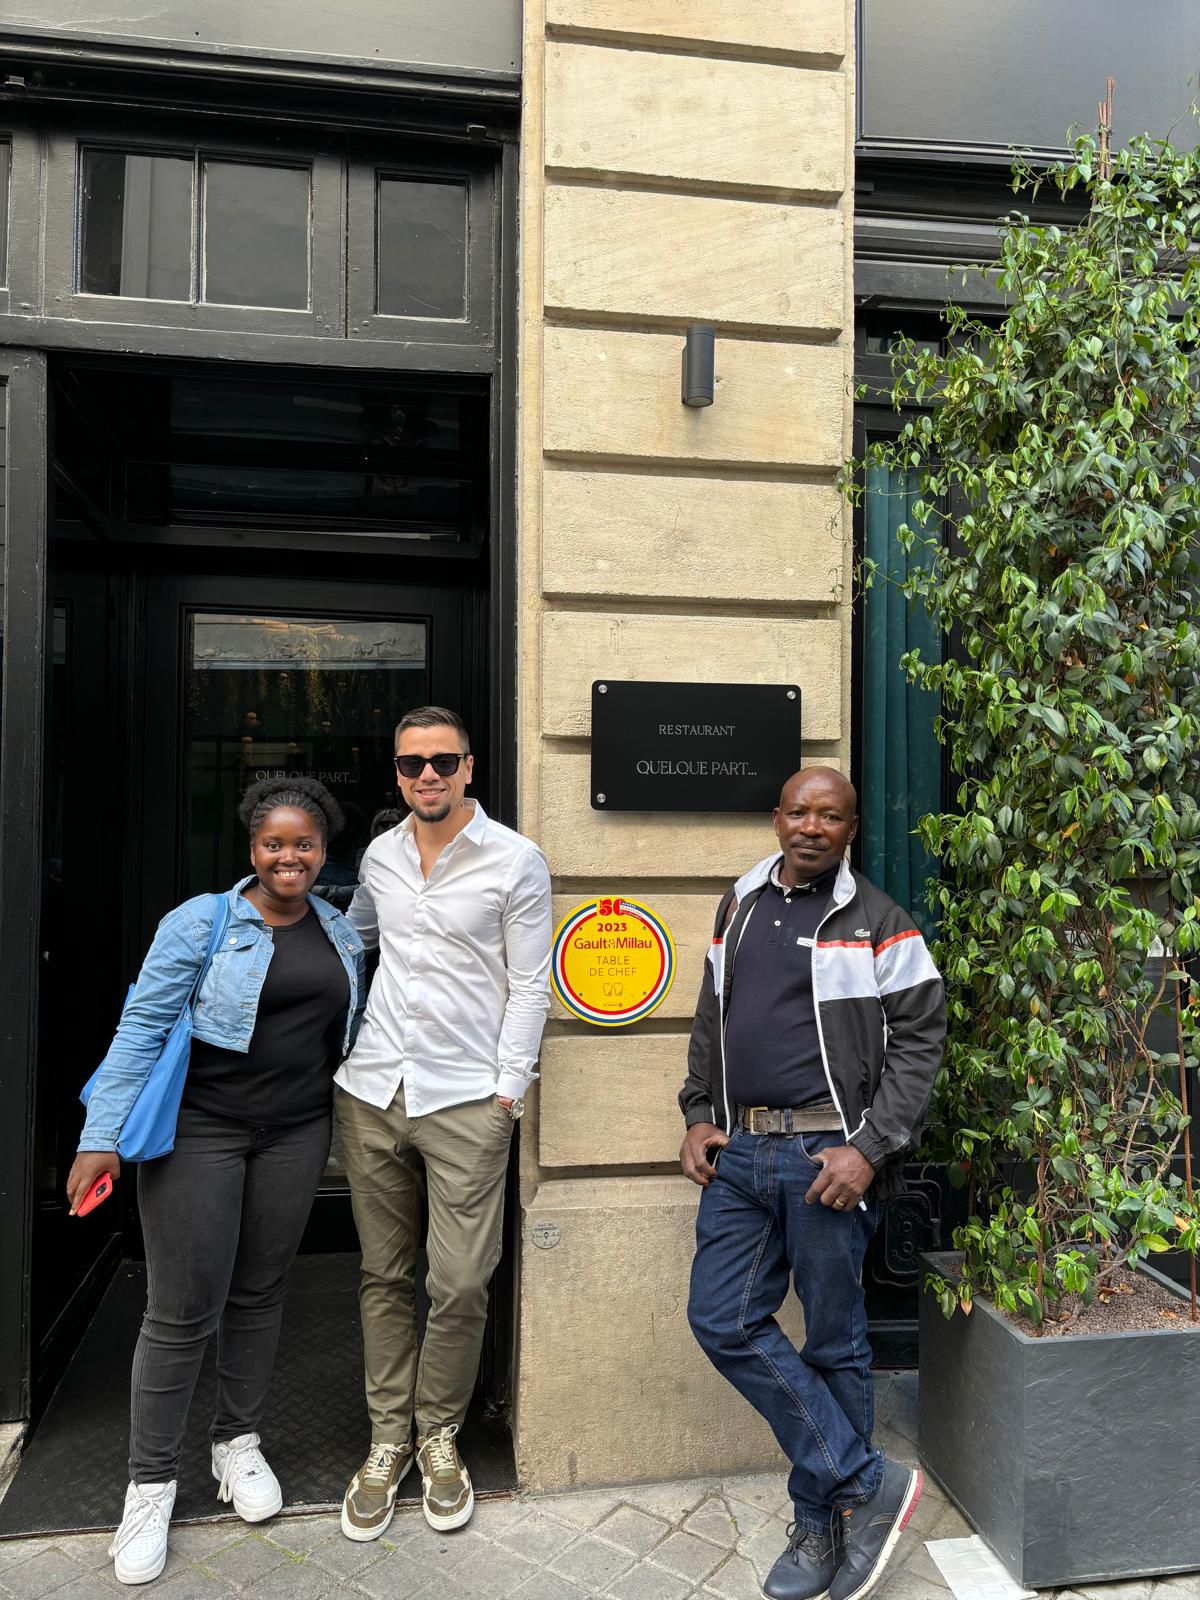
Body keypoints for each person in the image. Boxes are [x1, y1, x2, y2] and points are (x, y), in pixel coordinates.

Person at [66, 777, 366, 1587]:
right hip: (201, 1131)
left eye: (304, 844)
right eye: (274, 843)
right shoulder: (201, 922)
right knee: (181, 1310)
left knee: (260, 1293)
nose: (288, 857)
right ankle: (150, 1487)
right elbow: (142, 1027)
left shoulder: (340, 930)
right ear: (252, 847)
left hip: (296, 1134)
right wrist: (100, 1139)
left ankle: (236, 1442)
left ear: (323, 850)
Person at [678, 767, 945, 1600]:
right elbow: (712, 1017)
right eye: (799, 812)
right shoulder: (739, 902)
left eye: (830, 816)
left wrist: (869, 1148)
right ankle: (864, 1481)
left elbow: (921, 1040)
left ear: (850, 829)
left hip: (829, 1159)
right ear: (777, 818)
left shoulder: (879, 922)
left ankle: (821, 1524)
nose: (811, 826)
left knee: (835, 1343)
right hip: (740, 1155)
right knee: (721, 1318)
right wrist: (696, 1111)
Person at [334, 706, 552, 1541]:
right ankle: (388, 1438)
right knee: (384, 1275)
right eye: (410, 763)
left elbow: (530, 985)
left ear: (468, 768)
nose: (426, 775)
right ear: (396, 772)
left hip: (466, 1099)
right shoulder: (381, 856)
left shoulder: (515, 860)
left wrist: (507, 1094)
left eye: (442, 761)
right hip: (372, 1090)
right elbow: (352, 941)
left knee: (459, 1281)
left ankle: (438, 1435)